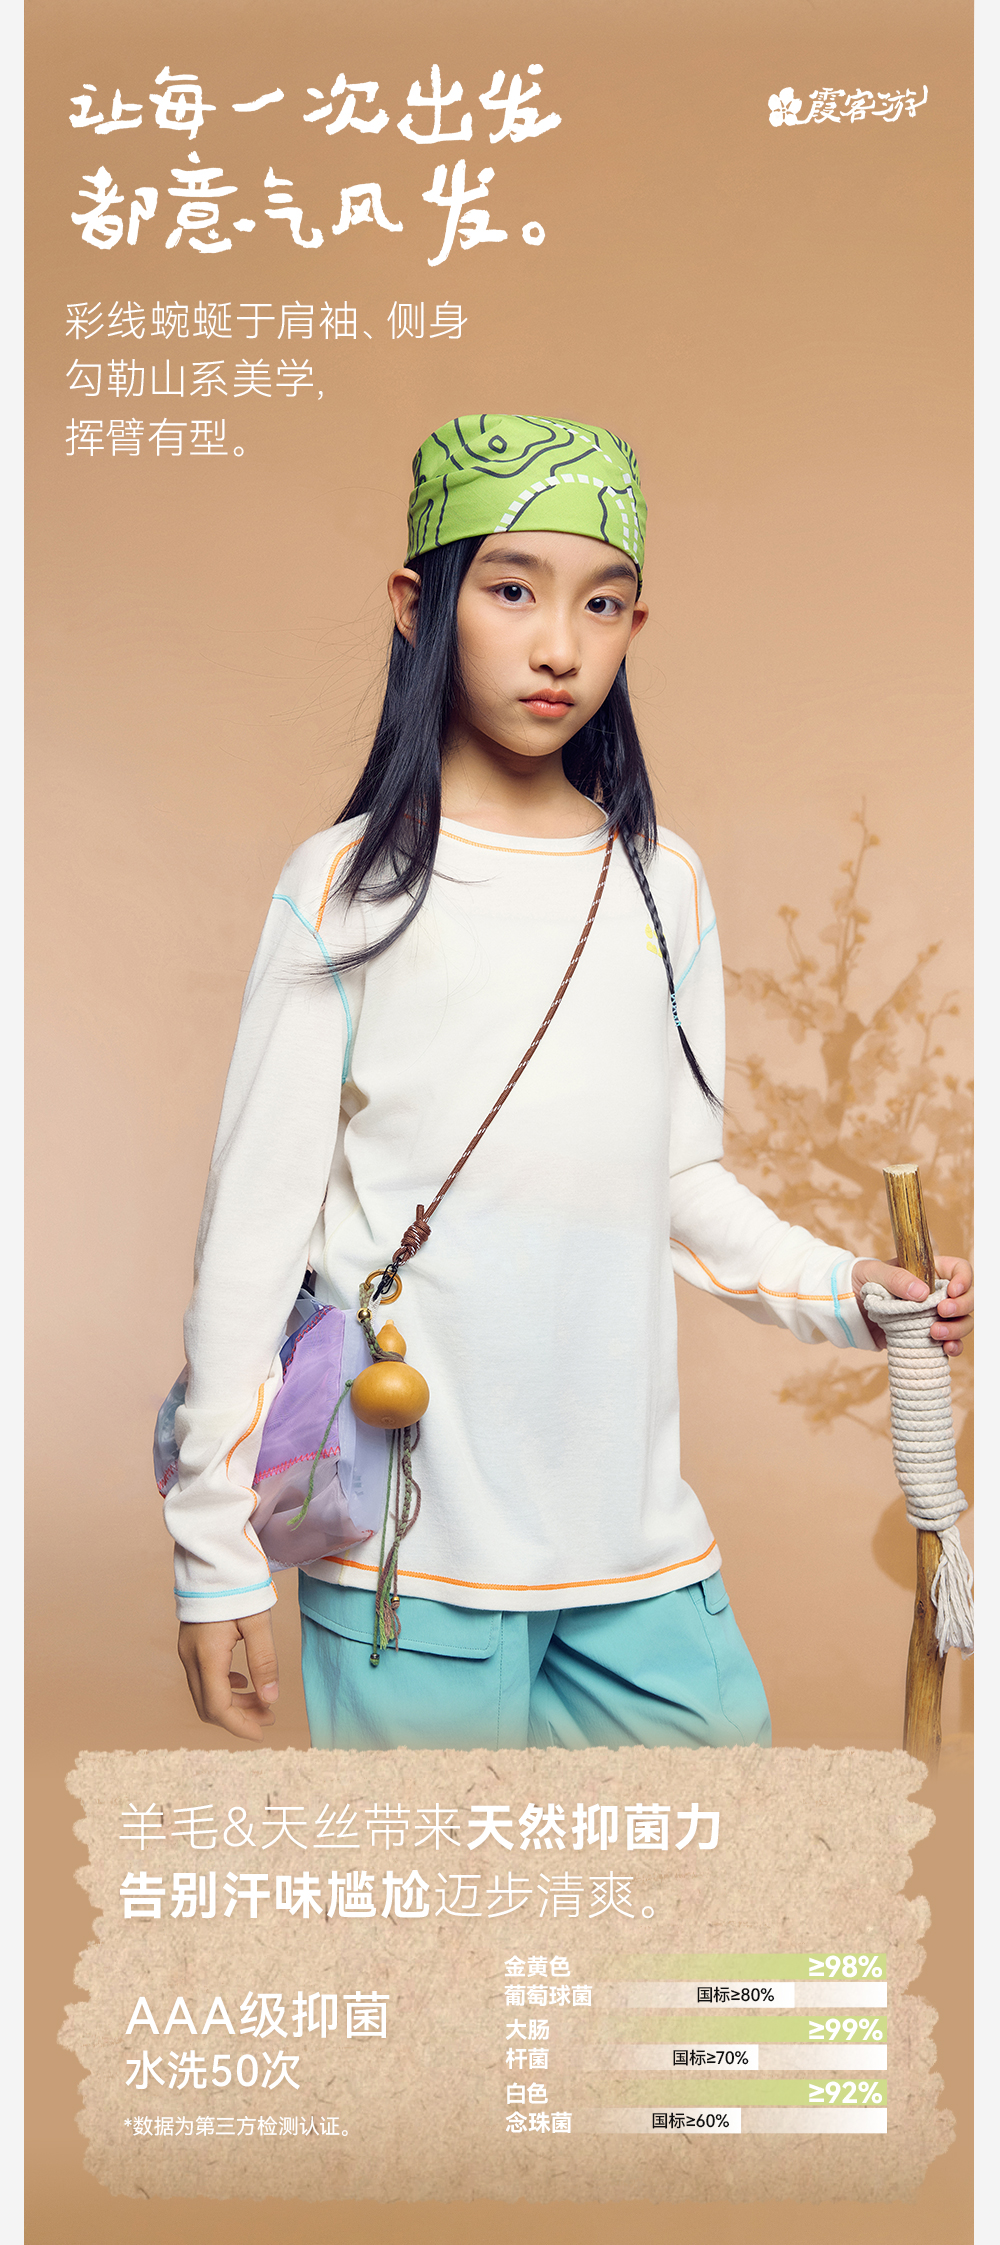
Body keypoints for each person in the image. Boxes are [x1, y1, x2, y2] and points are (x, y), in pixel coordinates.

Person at [168, 413, 973, 1750]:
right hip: (404, 1562)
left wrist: (851, 1291)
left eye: (601, 604)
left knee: (723, 1860)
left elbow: (678, 1182)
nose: (559, 645)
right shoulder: (348, 886)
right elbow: (251, 1239)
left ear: (634, 628)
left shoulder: (665, 883)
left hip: (633, 1551)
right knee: (444, 1895)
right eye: (512, 591)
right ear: (418, 608)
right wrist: (214, 1555)